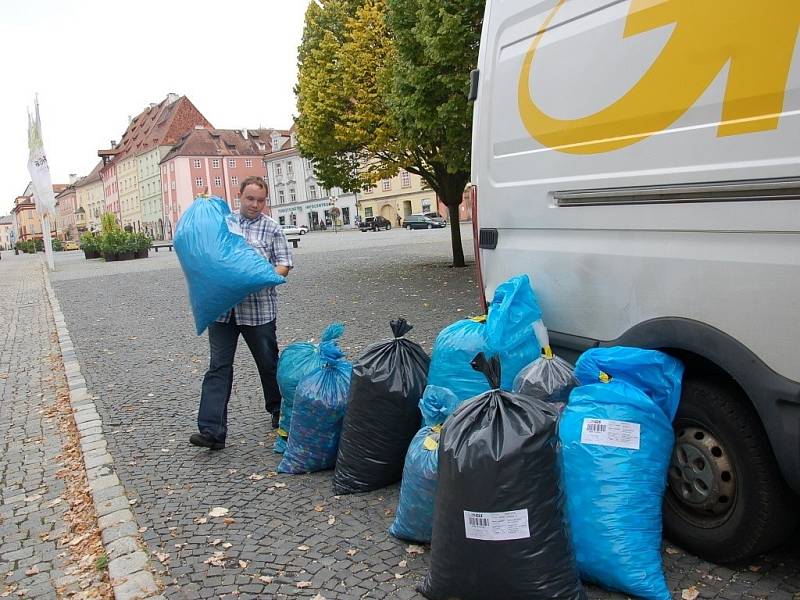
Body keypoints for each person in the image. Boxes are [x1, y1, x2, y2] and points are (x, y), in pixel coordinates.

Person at [190, 176, 293, 450]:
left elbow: (284, 263)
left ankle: (278, 411)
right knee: (218, 367)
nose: (255, 205)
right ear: (239, 197)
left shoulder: (271, 229)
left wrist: (263, 275)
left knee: (268, 364)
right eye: (250, 199)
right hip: (223, 311)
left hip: (258, 311)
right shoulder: (226, 224)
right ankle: (212, 431)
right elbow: (208, 252)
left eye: (260, 200)